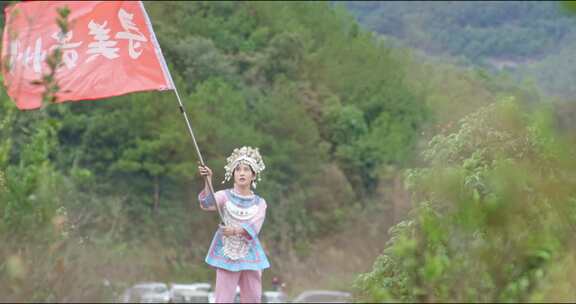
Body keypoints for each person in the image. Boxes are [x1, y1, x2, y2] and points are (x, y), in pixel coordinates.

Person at [197, 146, 270, 303]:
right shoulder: (225, 196)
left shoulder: (260, 203)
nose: (241, 173)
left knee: (253, 299)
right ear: (233, 174)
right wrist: (208, 179)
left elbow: (254, 227)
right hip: (226, 254)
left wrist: (235, 230)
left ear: (253, 174)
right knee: (223, 299)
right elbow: (207, 203)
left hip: (250, 255)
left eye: (246, 170)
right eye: (238, 170)